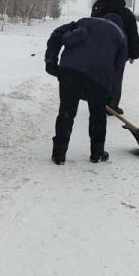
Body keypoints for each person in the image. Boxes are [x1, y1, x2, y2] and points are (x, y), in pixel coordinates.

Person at [45, 13, 127, 165]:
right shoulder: (120, 35)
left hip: (69, 71)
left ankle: (59, 154)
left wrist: (51, 59)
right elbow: (118, 69)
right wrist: (108, 93)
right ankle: (97, 153)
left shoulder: (83, 22)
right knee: (98, 116)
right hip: (99, 76)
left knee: (66, 112)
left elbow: (57, 34)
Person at [91, 0, 139, 113]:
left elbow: (91, 30)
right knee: (116, 78)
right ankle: (112, 106)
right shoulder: (127, 14)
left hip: (100, 50)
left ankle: (99, 103)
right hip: (120, 52)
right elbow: (132, 34)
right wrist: (133, 54)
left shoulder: (98, 11)